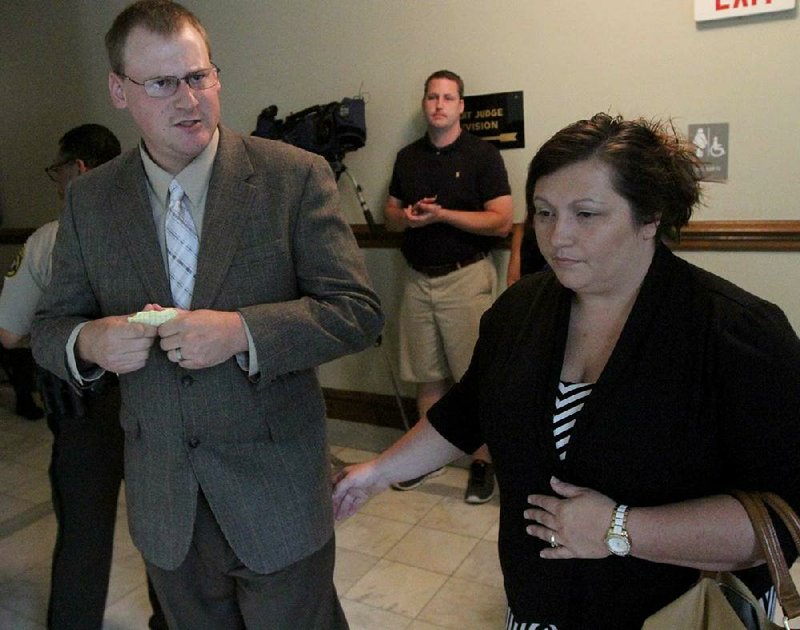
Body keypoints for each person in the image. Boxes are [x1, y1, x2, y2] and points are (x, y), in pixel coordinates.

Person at [334, 113, 800, 628]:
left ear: (649, 217)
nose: (558, 238)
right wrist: (376, 473)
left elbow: (782, 518)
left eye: (586, 214)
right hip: (538, 604)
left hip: (672, 611)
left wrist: (619, 528)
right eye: (544, 213)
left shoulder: (736, 332)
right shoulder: (520, 311)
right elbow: (467, 415)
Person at [31, 1, 383, 628]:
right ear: (120, 90)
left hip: (277, 494)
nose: (187, 99)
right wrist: (90, 342)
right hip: (166, 505)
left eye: (199, 76)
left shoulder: (291, 177)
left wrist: (244, 332)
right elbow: (51, 326)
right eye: (162, 83)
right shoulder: (90, 199)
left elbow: (357, 311)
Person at [0, 123, 168, 630]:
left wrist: (58, 346)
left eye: (57, 171)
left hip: (83, 408)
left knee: (83, 538)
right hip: (158, 406)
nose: (56, 182)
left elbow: (7, 333)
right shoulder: (161, 228)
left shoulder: (49, 240)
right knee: (166, 535)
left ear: (77, 170)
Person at [384, 69, 513, 503]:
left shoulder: (482, 156)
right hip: (419, 280)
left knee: (474, 378)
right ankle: (426, 459)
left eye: (448, 98)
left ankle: (482, 464)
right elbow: (389, 215)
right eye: (432, 97)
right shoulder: (408, 157)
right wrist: (411, 216)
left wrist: (445, 216)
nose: (439, 104)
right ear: (424, 103)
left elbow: (500, 221)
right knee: (428, 376)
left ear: (461, 106)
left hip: (466, 278)